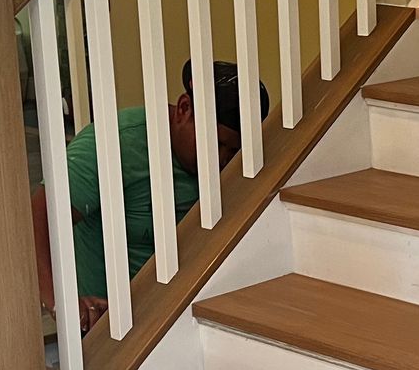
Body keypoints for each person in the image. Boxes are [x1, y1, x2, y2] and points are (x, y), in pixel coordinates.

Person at [33, 60, 270, 332]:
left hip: (180, 315)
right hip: (110, 327)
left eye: (233, 150)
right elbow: (36, 221)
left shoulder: (230, 163)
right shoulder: (113, 144)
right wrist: (59, 303)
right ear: (184, 109)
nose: (222, 159)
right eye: (216, 143)